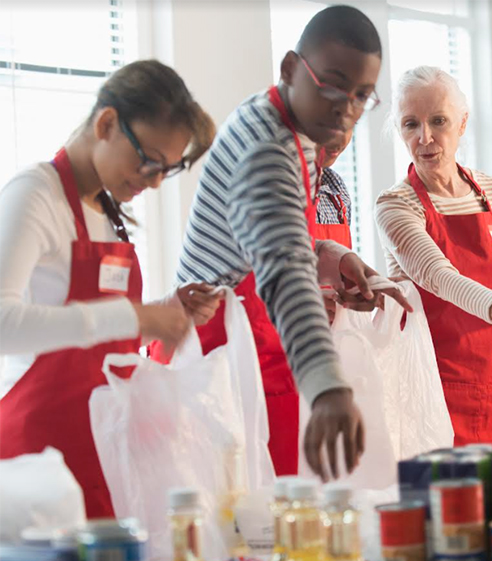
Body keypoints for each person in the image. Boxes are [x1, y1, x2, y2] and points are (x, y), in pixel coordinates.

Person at [172, 6, 409, 481]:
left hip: (254, 341)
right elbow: (282, 269)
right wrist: (327, 388)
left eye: (363, 95)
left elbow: (271, 239)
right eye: (333, 85)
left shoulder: (293, 127)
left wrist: (330, 254)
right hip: (218, 353)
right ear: (289, 70)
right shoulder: (267, 150)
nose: (347, 107)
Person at [0, 60, 219, 518]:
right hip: (39, 463)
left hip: (104, 454)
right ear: (106, 123)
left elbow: (96, 343)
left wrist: (164, 314)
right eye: (150, 162)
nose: (156, 181)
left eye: (167, 169)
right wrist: (136, 316)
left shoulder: (107, 210)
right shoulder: (35, 196)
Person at [376, 66, 492, 448]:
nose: (425, 137)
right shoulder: (395, 205)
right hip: (430, 392)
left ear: (462, 123)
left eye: (438, 121)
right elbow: (439, 276)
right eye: (410, 124)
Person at [169, 129, 357, 476]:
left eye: (349, 122)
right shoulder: (262, 173)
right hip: (234, 370)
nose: (338, 136)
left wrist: (342, 289)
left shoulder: (335, 191)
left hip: (298, 371)